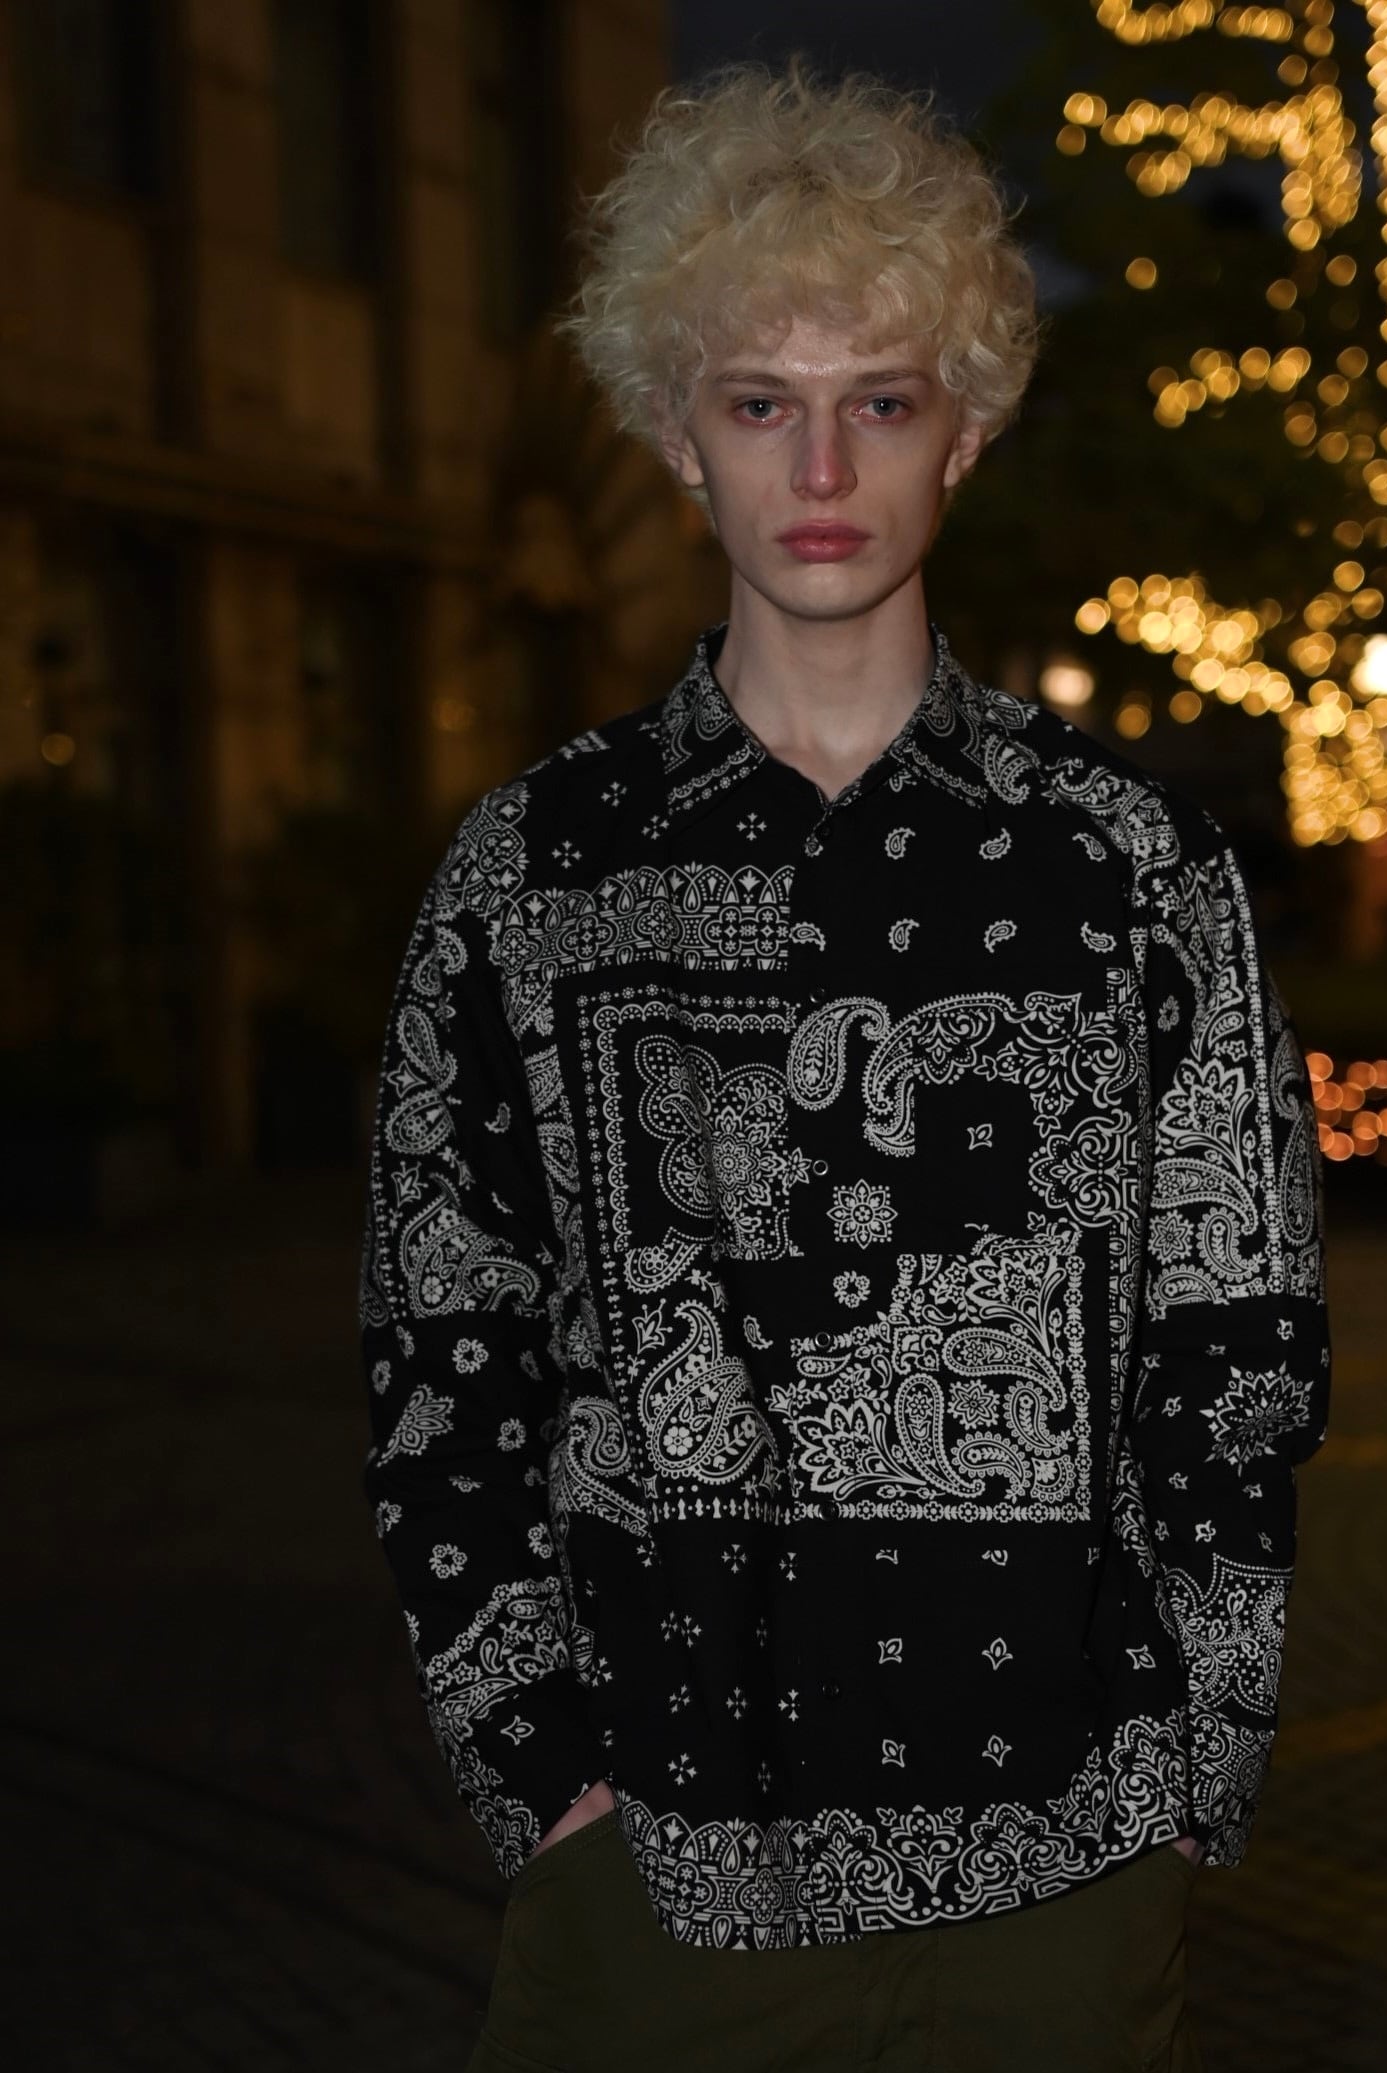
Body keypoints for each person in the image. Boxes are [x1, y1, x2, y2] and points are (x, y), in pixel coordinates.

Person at [358, 54, 1330, 2073]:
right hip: (658, 1887)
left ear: (963, 426)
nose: (819, 464)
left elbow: (1238, 1337)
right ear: (672, 431)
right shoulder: (534, 871)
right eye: (758, 403)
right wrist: (539, 1766)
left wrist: (1191, 1756)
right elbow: (443, 1346)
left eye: (878, 401)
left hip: (1067, 1886)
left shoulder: (1132, 867)